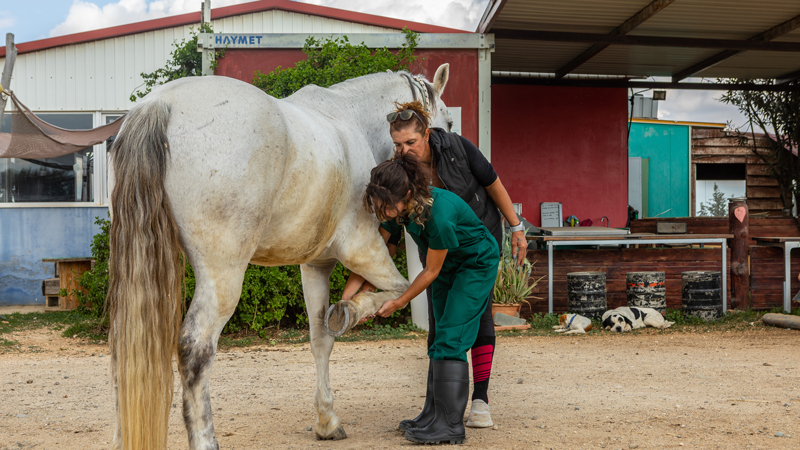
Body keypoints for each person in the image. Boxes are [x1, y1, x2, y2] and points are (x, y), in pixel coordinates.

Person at [343, 101, 528, 428]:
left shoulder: (456, 151)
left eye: (411, 142)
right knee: (441, 329)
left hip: (473, 248)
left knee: (462, 326)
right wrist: (350, 300)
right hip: (442, 252)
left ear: (426, 135)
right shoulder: (397, 180)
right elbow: (381, 246)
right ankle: (433, 413)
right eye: (398, 144)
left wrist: (516, 227)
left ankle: (464, 412)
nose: (405, 150)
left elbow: (492, 184)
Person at [362, 152, 499, 444]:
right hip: (450, 264)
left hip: (475, 264)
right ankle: (432, 414)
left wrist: (399, 301)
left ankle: (449, 425)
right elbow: (379, 250)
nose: (383, 210)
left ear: (408, 193)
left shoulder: (438, 213)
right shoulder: (404, 207)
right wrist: (360, 295)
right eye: (379, 204)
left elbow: (431, 270)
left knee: (452, 335)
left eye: (387, 205)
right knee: (438, 336)